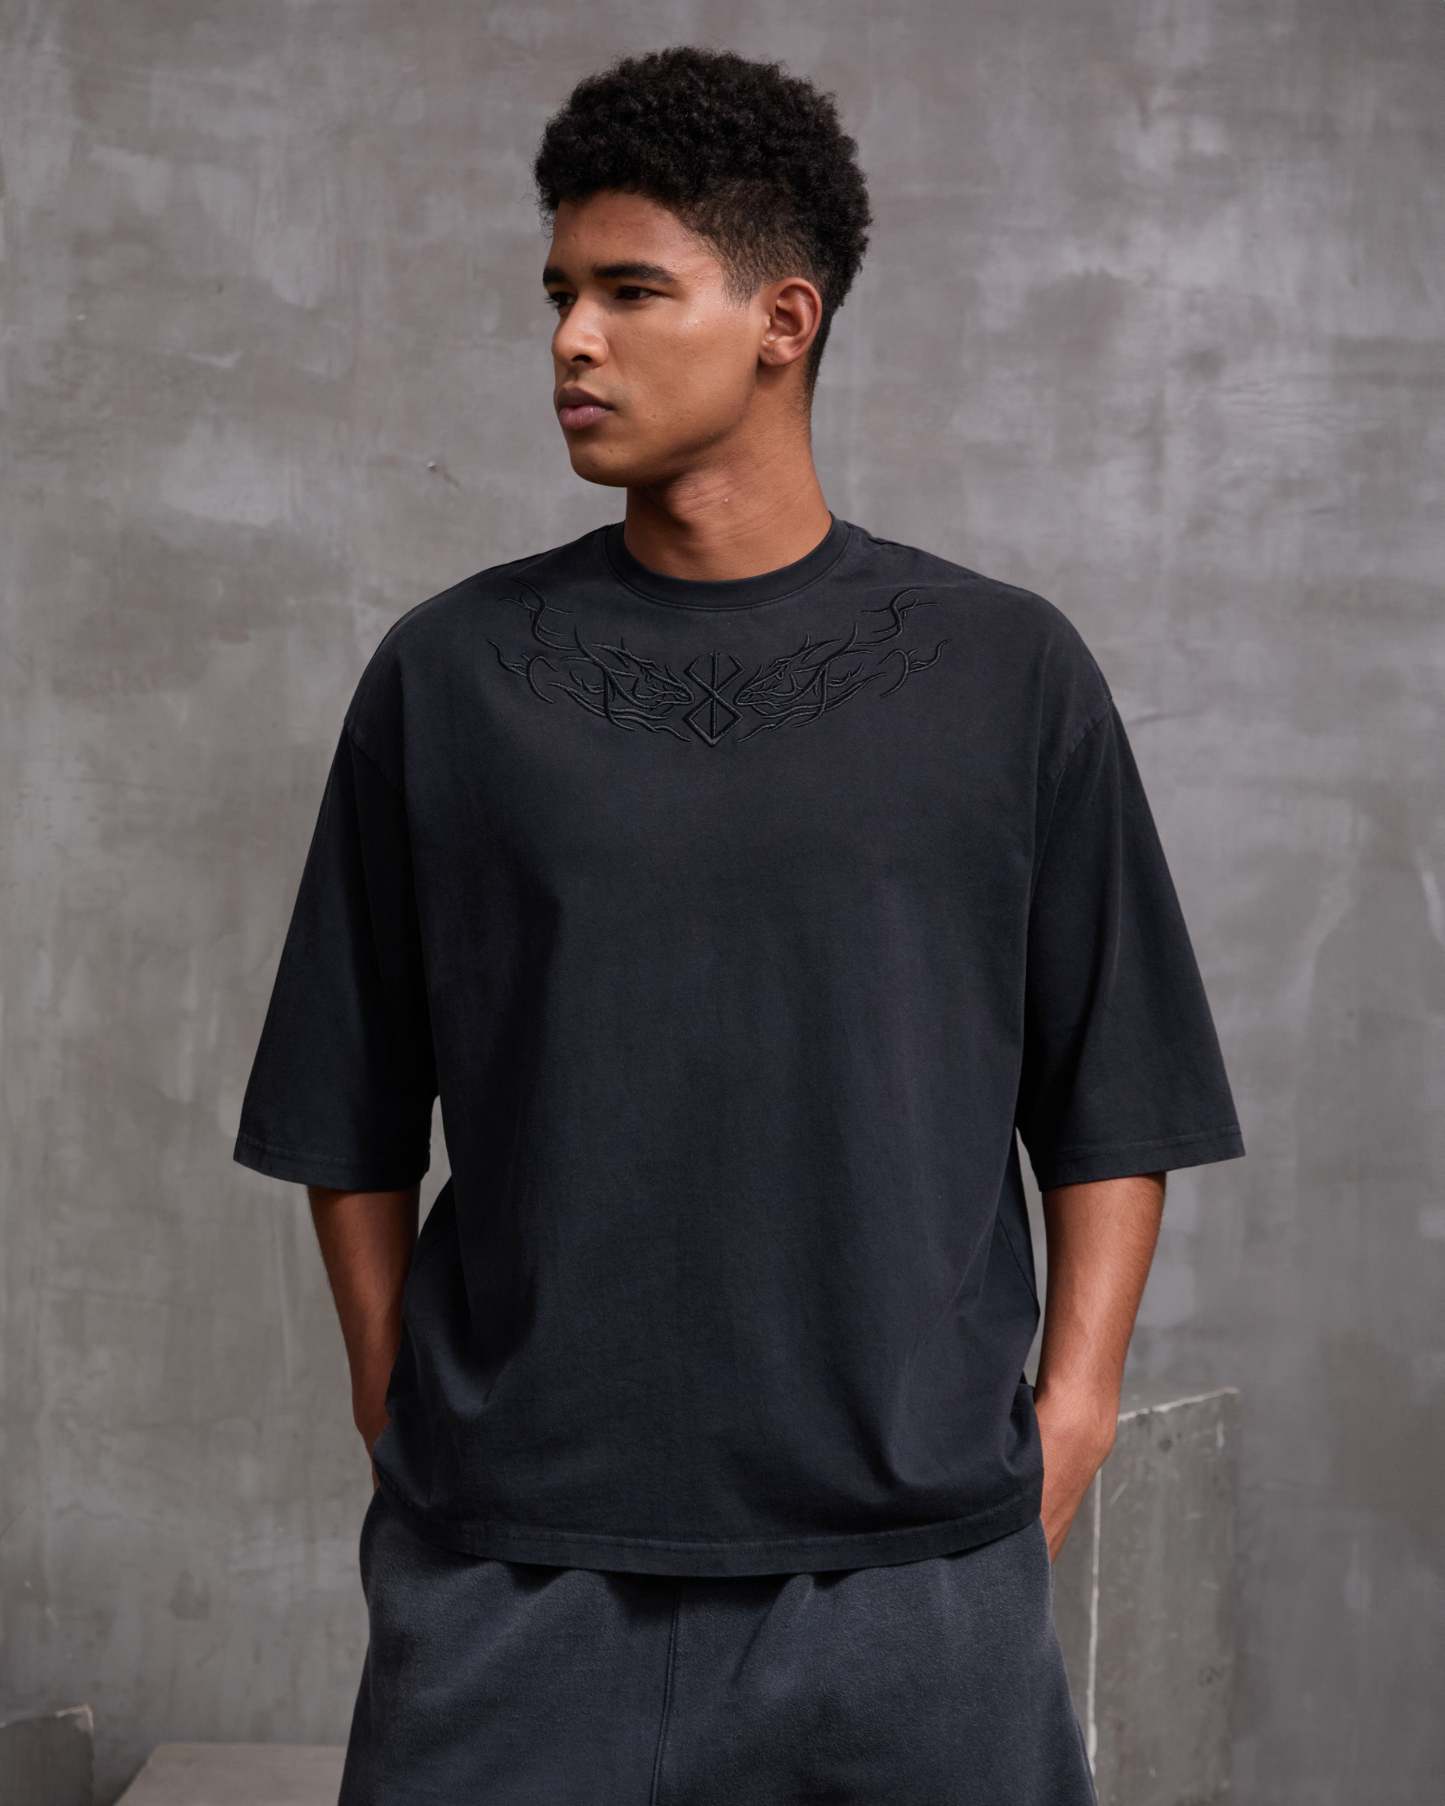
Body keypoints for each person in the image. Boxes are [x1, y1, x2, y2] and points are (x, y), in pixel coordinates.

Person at [231, 44, 1246, 1805]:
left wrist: (1068, 1414)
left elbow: (1115, 1089)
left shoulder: (1004, 672)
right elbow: (349, 1099)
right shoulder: (452, 675)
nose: (572, 340)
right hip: (509, 1576)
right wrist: (400, 1406)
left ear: (784, 319)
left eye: (631, 291)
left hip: (908, 1584)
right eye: (558, 293)